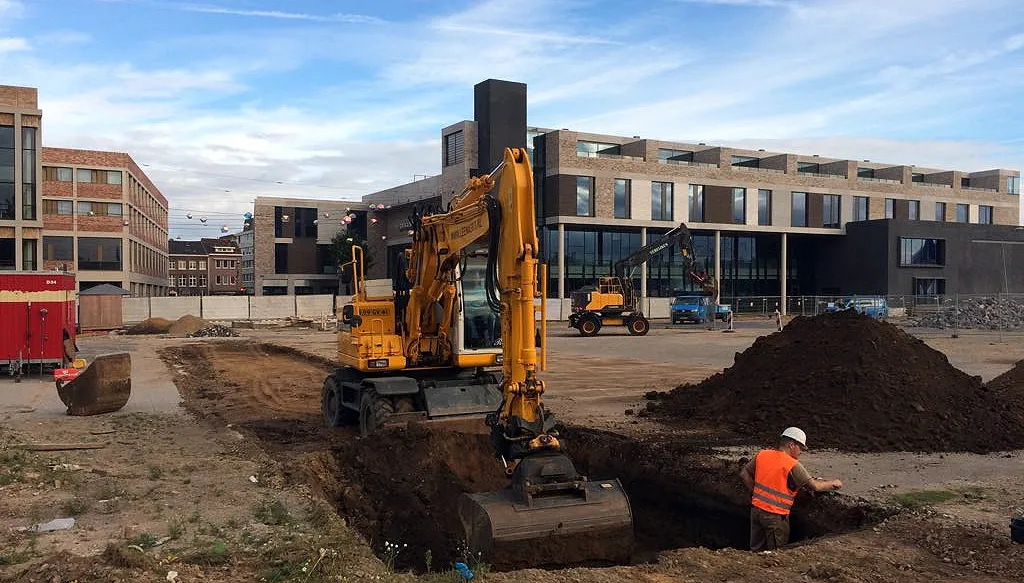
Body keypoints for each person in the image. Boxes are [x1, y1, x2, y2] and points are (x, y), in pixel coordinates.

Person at [739, 427, 843, 552]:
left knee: (756, 550)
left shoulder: (763, 454)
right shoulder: (792, 464)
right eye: (800, 447)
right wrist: (834, 483)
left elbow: (744, 473)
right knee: (776, 553)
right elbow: (815, 486)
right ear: (791, 445)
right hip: (775, 516)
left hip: (756, 511)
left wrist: (755, 492)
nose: (801, 452)